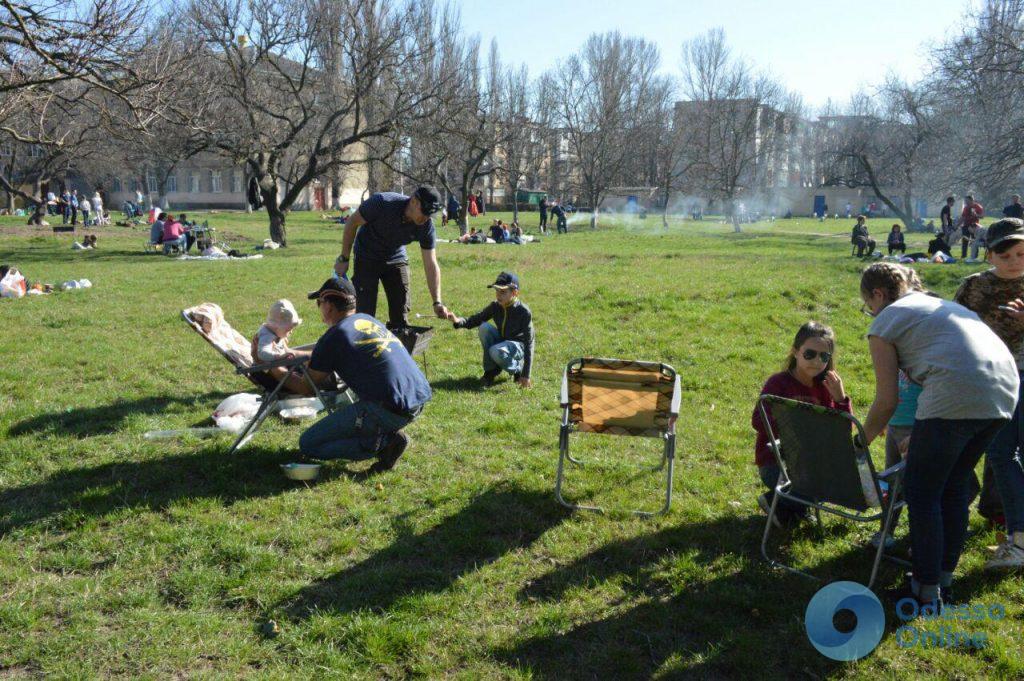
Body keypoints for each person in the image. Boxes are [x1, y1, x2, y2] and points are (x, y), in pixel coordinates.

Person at [858, 262, 1018, 607]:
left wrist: (858, 445)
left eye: (867, 305)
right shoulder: (939, 306)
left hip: (958, 390)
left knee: (922, 492)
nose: (869, 312)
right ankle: (942, 580)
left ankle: (923, 590)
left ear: (878, 294)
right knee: (953, 487)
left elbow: (887, 401)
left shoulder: (886, 320)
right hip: (1005, 390)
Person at [297, 278, 432, 472]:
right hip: (417, 398)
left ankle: (384, 443)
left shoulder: (334, 337)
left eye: (319, 303)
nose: (319, 308)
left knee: (309, 444)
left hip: (388, 409)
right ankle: (381, 435)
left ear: (328, 305)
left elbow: (305, 387)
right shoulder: (367, 320)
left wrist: (270, 368)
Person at [953, 218, 1024, 569]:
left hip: (1020, 378)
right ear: (990, 254)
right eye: (1005, 253)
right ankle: (1016, 537)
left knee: (1003, 453)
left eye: (1022, 253)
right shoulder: (972, 286)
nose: (1014, 261)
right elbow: (952, 329)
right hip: (983, 378)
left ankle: (1019, 542)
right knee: (1000, 453)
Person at [752, 322, 851, 526]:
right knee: (823, 485)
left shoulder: (826, 388)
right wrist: (795, 435)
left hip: (813, 465)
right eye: (810, 354)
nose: (816, 361)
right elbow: (758, 419)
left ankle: (780, 504)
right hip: (777, 464)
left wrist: (841, 399)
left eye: (823, 357)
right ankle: (787, 503)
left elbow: (842, 431)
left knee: (841, 482)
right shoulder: (778, 383)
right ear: (796, 352)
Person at [333, 186, 454, 331]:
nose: (426, 218)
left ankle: (397, 345)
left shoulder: (426, 226)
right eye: (425, 212)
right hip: (367, 255)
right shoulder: (382, 203)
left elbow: (431, 264)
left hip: (396, 256)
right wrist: (344, 258)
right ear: (414, 202)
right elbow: (352, 222)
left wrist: (437, 302)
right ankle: (363, 349)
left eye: (430, 215)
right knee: (364, 314)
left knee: (400, 310)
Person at [451, 271, 534, 388]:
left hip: (518, 347)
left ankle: (517, 369)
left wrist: (526, 374)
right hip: (503, 344)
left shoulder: (524, 311)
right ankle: (490, 372)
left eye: (503, 292)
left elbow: (529, 343)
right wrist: (457, 321)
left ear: (515, 292)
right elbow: (476, 319)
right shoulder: (495, 306)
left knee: (496, 350)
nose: (498, 295)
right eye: (496, 291)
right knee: (484, 328)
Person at [253, 299, 310, 394]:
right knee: (302, 369)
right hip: (265, 374)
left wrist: (281, 341)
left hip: (275, 368)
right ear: (276, 326)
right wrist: (279, 356)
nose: (290, 332)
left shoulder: (273, 332)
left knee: (301, 367)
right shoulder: (266, 336)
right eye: (288, 330)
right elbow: (262, 354)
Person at [956, 194, 984, 259]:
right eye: (965, 201)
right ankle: (963, 256)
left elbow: (982, 216)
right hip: (966, 226)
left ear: (972, 200)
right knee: (965, 240)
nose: (966, 202)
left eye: (967, 201)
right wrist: (957, 225)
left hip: (974, 227)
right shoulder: (966, 208)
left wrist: (976, 215)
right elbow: (962, 217)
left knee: (974, 240)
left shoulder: (977, 206)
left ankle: (975, 256)